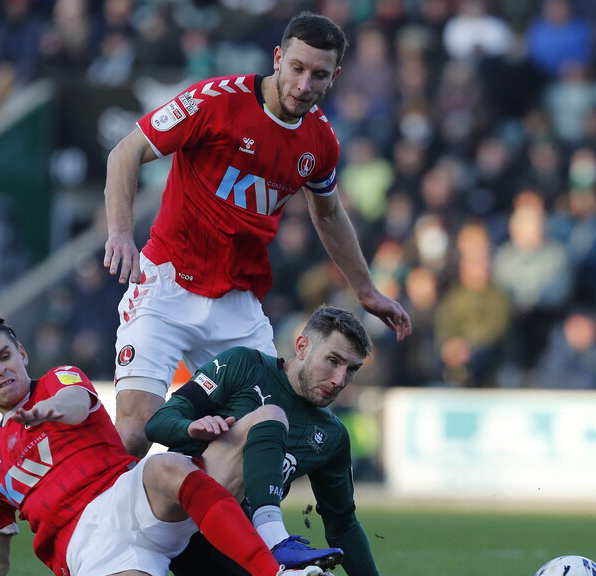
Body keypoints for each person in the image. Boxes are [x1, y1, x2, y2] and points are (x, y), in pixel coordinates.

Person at [0, 317, 343, 576]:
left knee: (163, 465)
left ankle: (277, 575)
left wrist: (46, 412)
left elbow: (76, 403)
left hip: (125, 496)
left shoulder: (59, 381)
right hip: (85, 548)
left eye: (4, 356)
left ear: (20, 352)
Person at [101, 12, 411, 470]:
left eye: (319, 75)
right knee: (134, 431)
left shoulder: (321, 140)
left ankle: (242, 535)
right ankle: (85, 526)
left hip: (237, 303)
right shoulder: (215, 101)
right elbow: (127, 151)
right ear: (278, 58)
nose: (305, 85)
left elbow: (328, 213)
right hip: (166, 285)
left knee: (266, 435)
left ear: (334, 77)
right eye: (298, 68)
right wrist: (122, 233)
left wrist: (366, 290)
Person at [144, 306, 447, 576]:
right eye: (333, 361)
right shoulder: (244, 365)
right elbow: (158, 423)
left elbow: (342, 524)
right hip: (176, 518)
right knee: (269, 417)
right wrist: (189, 428)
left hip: (232, 544)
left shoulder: (332, 436)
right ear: (302, 347)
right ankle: (275, 542)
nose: (339, 380)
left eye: (352, 369)